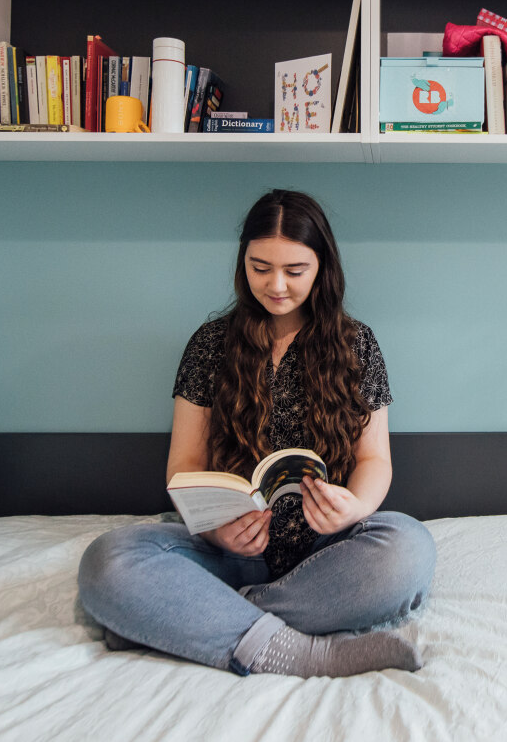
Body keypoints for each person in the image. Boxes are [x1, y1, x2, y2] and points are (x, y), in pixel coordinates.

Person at [77, 189, 436, 678]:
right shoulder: (210, 344)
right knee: (108, 561)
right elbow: (183, 465)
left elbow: (374, 459)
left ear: (322, 267)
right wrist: (217, 529)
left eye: (295, 270)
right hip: (226, 554)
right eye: (260, 266)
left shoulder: (357, 344)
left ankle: (196, 616)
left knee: (409, 548)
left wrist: (353, 507)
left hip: (325, 558)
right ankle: (305, 651)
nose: (277, 286)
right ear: (242, 261)